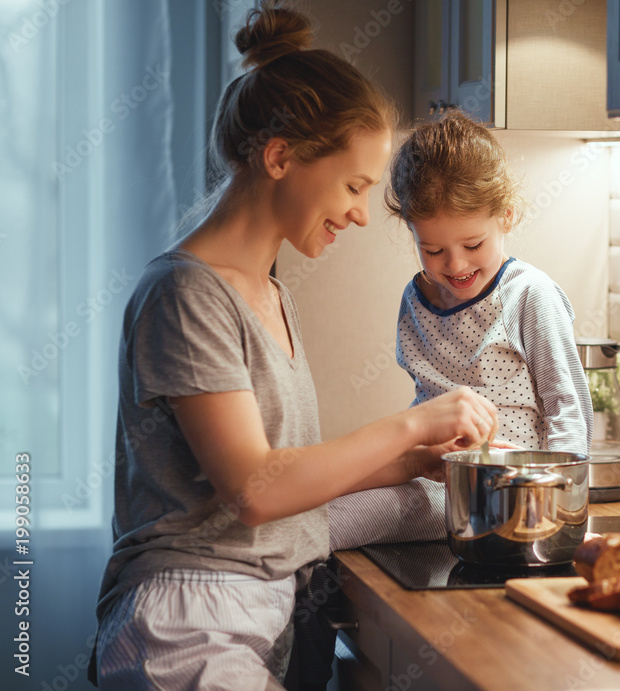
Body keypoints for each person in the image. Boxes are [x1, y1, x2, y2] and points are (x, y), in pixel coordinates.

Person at [89, 3, 498, 689]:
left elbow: (284, 481)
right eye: (354, 184)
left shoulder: (269, 291)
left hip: (251, 611)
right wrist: (410, 422)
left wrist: (411, 462)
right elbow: (253, 487)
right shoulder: (186, 295)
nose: (364, 212)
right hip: (185, 628)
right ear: (279, 156)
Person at [386, 112, 592, 456]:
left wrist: (562, 500)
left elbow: (567, 409)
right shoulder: (416, 298)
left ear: (506, 216)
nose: (455, 265)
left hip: (503, 490)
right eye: (433, 250)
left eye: (473, 245)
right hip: (426, 472)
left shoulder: (528, 296)